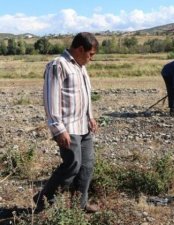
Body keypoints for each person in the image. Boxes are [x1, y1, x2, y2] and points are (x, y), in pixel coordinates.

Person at [34, 32, 99, 213]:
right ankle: (44, 199)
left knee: (87, 166)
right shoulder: (58, 65)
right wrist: (57, 129)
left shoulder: (80, 66)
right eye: (90, 54)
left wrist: (90, 116)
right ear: (80, 49)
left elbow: (84, 95)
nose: (91, 59)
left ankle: (80, 205)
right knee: (72, 165)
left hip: (83, 125)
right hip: (68, 127)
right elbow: (51, 99)